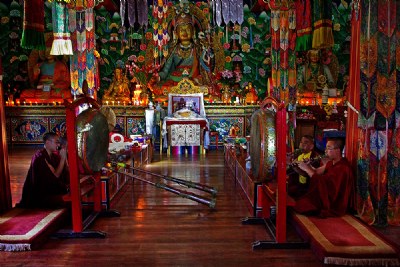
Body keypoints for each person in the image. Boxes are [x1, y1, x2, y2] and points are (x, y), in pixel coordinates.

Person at [149, 13, 211, 94]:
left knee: (206, 88)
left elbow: (204, 69)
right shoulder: (173, 49)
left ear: (193, 31)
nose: (184, 32)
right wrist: (157, 77)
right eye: (181, 30)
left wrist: (206, 51)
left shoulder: (198, 49)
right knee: (160, 88)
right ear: (175, 33)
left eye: (188, 29)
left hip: (193, 80)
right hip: (175, 80)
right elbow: (166, 70)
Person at [294, 137, 354, 217]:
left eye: (329, 148)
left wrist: (307, 169)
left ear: (338, 150)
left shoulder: (343, 167)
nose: (325, 151)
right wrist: (307, 166)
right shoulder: (330, 163)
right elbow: (317, 172)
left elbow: (327, 185)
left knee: (304, 206)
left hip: (332, 201)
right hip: (324, 194)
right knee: (300, 201)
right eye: (325, 148)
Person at [17, 132, 69, 209]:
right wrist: (63, 159)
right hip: (40, 194)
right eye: (56, 142)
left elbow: (65, 173)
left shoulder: (54, 157)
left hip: (51, 190)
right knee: (64, 201)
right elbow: (56, 176)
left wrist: (65, 160)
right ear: (48, 142)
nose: (58, 145)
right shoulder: (39, 157)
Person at [287, 135, 320, 199]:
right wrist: (288, 163)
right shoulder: (298, 156)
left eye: (305, 142)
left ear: (311, 146)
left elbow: (307, 174)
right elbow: (290, 171)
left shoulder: (314, 157)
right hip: (298, 186)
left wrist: (294, 166)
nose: (302, 145)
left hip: (308, 188)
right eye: (301, 142)